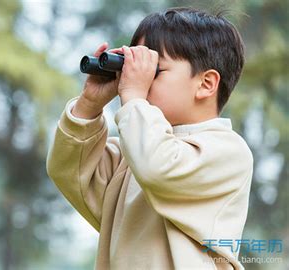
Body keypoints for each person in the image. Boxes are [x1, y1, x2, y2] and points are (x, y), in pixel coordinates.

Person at [46, 7, 253, 269]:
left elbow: (158, 168)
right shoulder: (134, 154)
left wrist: (133, 96)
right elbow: (69, 171)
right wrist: (89, 105)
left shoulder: (227, 151)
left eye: (154, 70)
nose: (136, 78)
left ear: (206, 84)